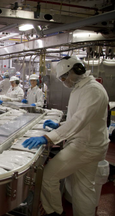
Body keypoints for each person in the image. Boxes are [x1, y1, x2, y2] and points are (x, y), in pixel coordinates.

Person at [22, 56, 109, 216]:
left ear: (76, 71)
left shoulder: (92, 90)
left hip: (85, 146)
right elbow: (79, 119)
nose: (63, 81)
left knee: (48, 177)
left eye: (64, 77)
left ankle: (54, 212)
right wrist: (60, 126)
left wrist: (48, 138)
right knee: (83, 188)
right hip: (86, 143)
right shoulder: (81, 88)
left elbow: (79, 120)